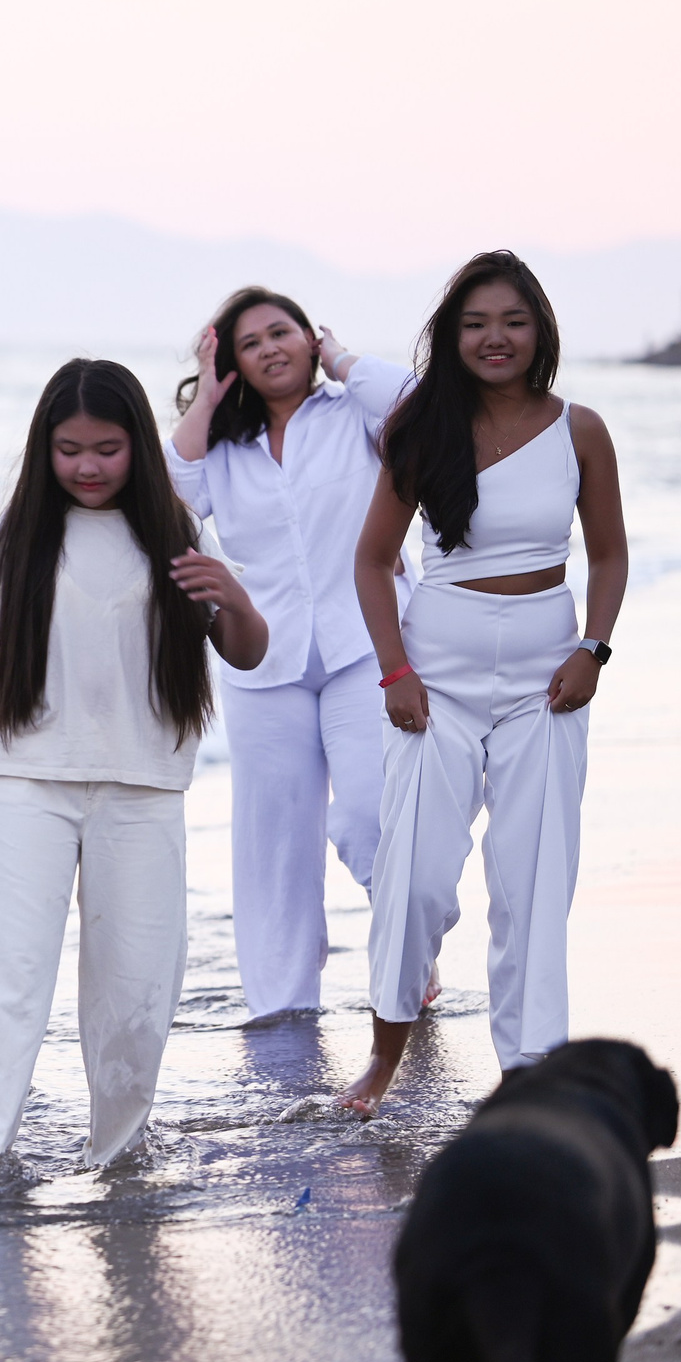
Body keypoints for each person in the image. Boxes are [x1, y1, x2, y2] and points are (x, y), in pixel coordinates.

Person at [0, 359, 267, 1178]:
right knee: (7, 982)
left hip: (146, 788)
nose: (88, 466)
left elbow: (244, 651)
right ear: (46, 448)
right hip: (31, 783)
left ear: (137, 444)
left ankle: (118, 1155)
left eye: (107, 448)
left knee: (135, 996)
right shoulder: (22, 529)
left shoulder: (176, 527)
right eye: (69, 449)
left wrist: (239, 603)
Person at [336, 251, 627, 1113]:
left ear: (539, 328)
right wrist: (394, 669)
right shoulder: (421, 429)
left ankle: (529, 1073)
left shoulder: (581, 429)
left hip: (549, 679)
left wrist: (593, 650)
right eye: (474, 323)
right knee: (414, 874)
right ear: (452, 336)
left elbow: (608, 554)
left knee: (534, 877)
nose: (494, 337)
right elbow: (371, 559)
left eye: (511, 320)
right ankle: (385, 1053)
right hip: (437, 678)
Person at [168, 289, 415, 1021]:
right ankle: (282, 1010)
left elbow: (420, 402)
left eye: (284, 332)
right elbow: (169, 493)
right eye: (251, 342)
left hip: (365, 644)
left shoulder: (357, 417)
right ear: (231, 362)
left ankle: (412, 946)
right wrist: (208, 399)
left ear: (309, 339)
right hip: (262, 662)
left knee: (372, 813)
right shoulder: (223, 448)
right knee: (274, 848)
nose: (271, 348)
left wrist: (343, 359)